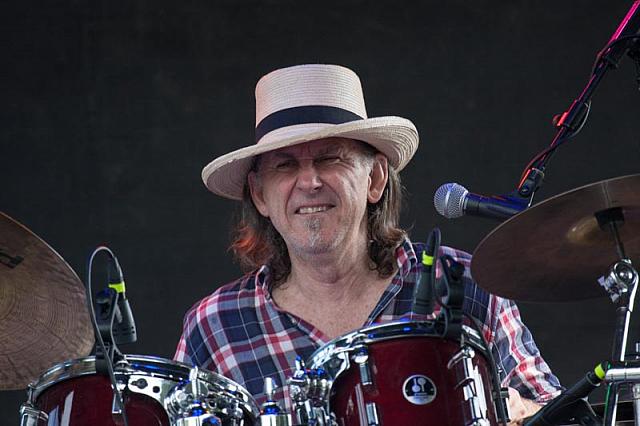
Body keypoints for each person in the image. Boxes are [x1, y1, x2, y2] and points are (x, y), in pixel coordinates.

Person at [174, 64, 561, 424]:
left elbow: (557, 411)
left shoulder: (465, 283)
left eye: (330, 159)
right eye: (285, 165)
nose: (309, 182)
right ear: (260, 195)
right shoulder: (215, 325)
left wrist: (518, 410)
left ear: (375, 179)